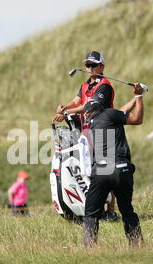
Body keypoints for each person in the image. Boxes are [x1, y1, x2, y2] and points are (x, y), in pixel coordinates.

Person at [56, 83, 146, 248]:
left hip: (103, 170)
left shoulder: (92, 124)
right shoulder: (111, 114)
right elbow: (135, 118)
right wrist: (138, 97)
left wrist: (135, 98)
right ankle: (137, 246)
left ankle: (90, 248)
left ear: (89, 114)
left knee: (90, 214)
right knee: (127, 211)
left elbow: (122, 111)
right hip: (123, 168)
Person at [53, 51, 118, 220]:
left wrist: (67, 111)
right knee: (89, 170)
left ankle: (111, 211)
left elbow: (89, 106)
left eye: (93, 65)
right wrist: (64, 107)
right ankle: (95, 206)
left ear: (102, 66)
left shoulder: (105, 86)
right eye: (87, 65)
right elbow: (76, 101)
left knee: (107, 170)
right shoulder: (84, 85)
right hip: (87, 132)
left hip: (105, 131)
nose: (90, 68)